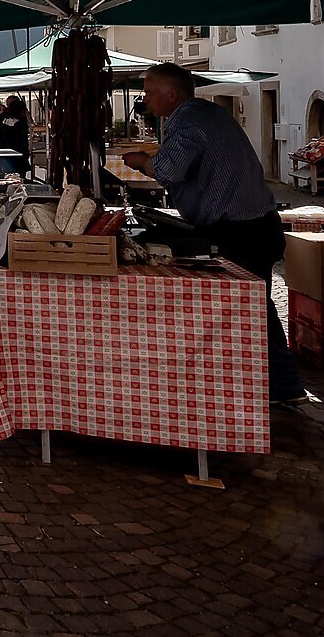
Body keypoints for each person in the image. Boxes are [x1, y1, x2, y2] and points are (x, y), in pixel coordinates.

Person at [124, 63, 308, 406]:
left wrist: (141, 161)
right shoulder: (205, 114)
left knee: (252, 307)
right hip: (253, 223)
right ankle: (269, 381)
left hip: (243, 229)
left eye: (149, 92)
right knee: (254, 305)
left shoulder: (189, 122)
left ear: (171, 94)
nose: (145, 99)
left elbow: (169, 170)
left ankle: (284, 386)